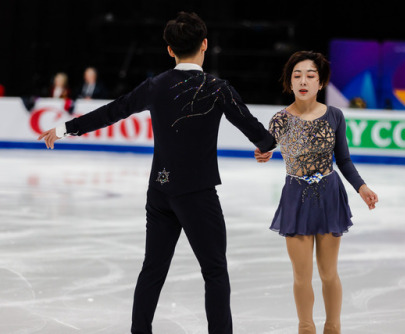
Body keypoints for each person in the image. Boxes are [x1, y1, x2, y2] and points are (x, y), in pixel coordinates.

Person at [38, 12, 276, 334]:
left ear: (169, 49)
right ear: (205, 44)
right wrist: (266, 145)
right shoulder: (217, 88)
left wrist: (65, 128)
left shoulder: (155, 86)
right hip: (197, 194)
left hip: (160, 190)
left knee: (152, 270)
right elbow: (258, 133)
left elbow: (113, 110)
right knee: (215, 272)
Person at [255, 51, 378, 334]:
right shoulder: (280, 119)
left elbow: (344, 160)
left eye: (310, 75)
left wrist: (362, 187)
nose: (303, 80)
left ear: (320, 83)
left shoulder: (334, 115)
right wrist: (262, 153)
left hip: (329, 196)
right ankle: (306, 328)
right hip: (295, 198)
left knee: (328, 272)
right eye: (297, 75)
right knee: (302, 275)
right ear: (289, 81)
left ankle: (333, 327)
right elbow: (266, 144)